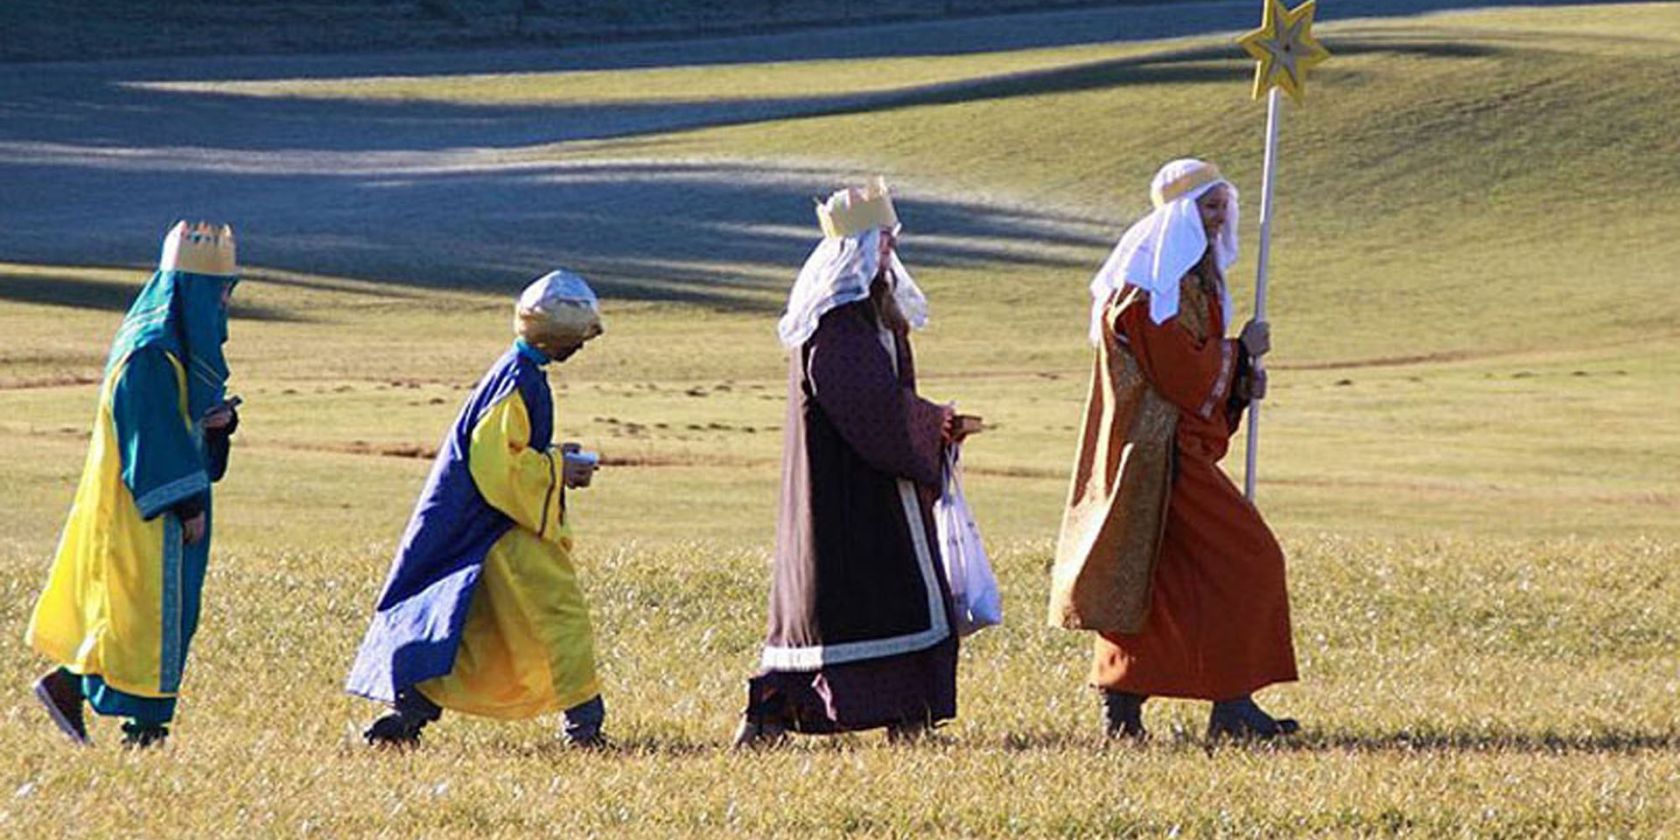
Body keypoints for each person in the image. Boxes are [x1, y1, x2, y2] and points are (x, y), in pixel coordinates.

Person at [1050, 159, 1299, 741]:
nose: (1218, 219)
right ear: (1182, 213)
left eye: (1223, 207)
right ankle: (1179, 702)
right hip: (1158, 455)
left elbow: (1196, 366)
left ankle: (1205, 705)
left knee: (1161, 574)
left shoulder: (1187, 280)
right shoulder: (1146, 289)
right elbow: (1180, 374)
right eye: (1208, 206)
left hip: (1172, 448)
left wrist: (1239, 378)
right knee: (1248, 557)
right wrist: (1237, 356)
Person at [733, 177, 978, 748]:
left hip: (871, 487)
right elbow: (864, 403)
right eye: (883, 241)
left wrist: (930, 422)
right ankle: (771, 717)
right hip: (846, 495)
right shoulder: (836, 320)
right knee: (847, 610)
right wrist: (930, 423)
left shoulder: (869, 309)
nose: (891, 251)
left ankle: (909, 720)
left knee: (892, 604)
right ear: (858, 248)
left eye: (893, 241)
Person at [345, 270, 608, 748]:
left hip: (478, 523)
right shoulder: (516, 381)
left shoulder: (517, 372)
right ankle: (584, 729)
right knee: (559, 614)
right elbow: (496, 463)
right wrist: (557, 470)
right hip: (494, 525)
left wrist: (551, 455)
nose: (581, 347)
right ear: (557, 335)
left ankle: (408, 715)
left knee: (468, 619)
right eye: (576, 338)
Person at [27, 221, 242, 749]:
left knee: (139, 612)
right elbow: (152, 435)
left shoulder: (170, 342)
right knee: (152, 615)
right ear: (191, 290)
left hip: (146, 502)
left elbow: (178, 416)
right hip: (145, 506)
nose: (224, 302)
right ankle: (143, 731)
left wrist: (213, 424)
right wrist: (187, 501)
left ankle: (70, 684)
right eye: (219, 290)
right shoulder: (150, 351)